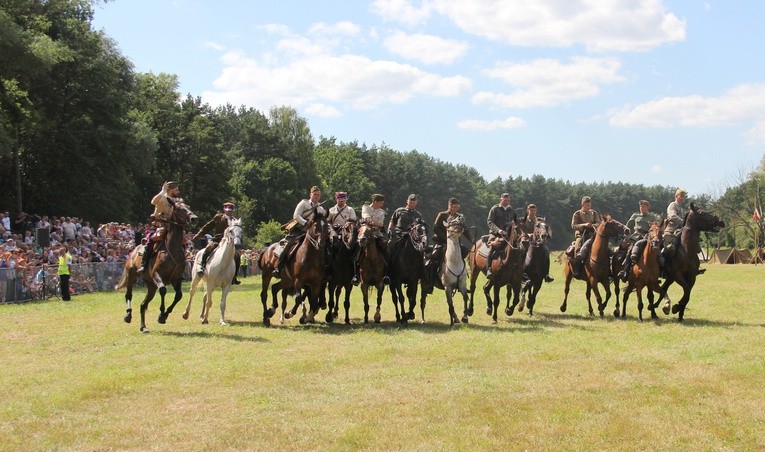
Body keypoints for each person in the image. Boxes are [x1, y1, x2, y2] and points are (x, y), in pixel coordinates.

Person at [273, 186, 327, 277]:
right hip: (299, 230)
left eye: (318, 195)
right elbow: (296, 216)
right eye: (314, 194)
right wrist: (305, 223)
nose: (316, 196)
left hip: (312, 234)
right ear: (310, 195)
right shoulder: (304, 203)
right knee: (288, 244)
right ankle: (279, 267)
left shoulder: (321, 209)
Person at [425, 197, 470, 293]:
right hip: (442, 242)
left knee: (464, 253)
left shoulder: (460, 217)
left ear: (458, 207)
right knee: (433, 257)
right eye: (452, 206)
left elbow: (464, 229)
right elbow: (436, 228)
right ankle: (431, 283)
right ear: (448, 205)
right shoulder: (442, 215)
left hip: (455, 243)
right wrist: (447, 239)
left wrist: (472, 239)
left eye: (455, 207)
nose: (453, 208)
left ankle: (461, 282)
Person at [138, 181, 183, 275]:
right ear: (170, 190)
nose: (178, 191)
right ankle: (144, 264)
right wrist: (162, 191)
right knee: (151, 240)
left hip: (172, 228)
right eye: (176, 189)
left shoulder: (178, 201)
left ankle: (181, 265)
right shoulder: (162, 198)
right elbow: (153, 201)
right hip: (159, 226)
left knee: (183, 241)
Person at [192, 201, 241, 285]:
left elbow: (238, 233)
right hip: (217, 240)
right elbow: (208, 226)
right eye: (227, 210)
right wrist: (198, 235)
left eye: (231, 210)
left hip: (229, 243)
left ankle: (234, 277)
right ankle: (202, 268)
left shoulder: (235, 221)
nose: (229, 212)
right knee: (207, 250)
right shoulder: (218, 217)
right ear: (224, 209)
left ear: (233, 211)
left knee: (237, 256)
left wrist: (238, 242)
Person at [617, 200, 661, 281]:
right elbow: (628, 226)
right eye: (640, 206)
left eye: (643, 206)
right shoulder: (635, 215)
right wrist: (627, 236)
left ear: (648, 207)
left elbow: (655, 228)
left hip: (647, 237)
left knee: (657, 252)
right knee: (630, 251)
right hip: (636, 237)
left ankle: (658, 273)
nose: (641, 208)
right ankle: (625, 272)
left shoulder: (652, 217)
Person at [352, 194, 387, 285]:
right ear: (375, 202)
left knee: (385, 247)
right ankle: (356, 275)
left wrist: (371, 221)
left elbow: (380, 224)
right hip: (365, 232)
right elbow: (366, 219)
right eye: (380, 203)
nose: (382, 205)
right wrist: (373, 222)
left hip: (376, 233)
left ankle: (386, 274)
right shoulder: (365, 207)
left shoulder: (381, 212)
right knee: (357, 249)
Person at [519, 203, 554, 283]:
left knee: (546, 252)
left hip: (537, 242)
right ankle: (519, 271)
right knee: (520, 251)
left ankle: (546, 274)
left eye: (534, 210)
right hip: (526, 240)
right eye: (531, 210)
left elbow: (545, 229)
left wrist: (545, 235)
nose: (532, 212)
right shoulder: (523, 220)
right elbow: (521, 230)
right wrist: (528, 234)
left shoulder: (540, 220)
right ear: (527, 211)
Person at [570, 196, 601, 278]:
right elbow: (573, 225)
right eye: (587, 205)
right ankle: (577, 269)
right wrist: (584, 225)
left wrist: (595, 225)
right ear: (582, 204)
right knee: (577, 248)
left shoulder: (594, 213)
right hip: (581, 235)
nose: (588, 206)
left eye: (589, 204)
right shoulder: (577, 214)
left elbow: (599, 222)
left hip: (592, 235)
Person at [486, 192, 514, 276]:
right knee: (493, 246)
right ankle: (489, 268)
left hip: (508, 234)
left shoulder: (512, 210)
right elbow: (489, 221)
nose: (506, 202)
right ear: (501, 199)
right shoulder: (495, 208)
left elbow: (515, 222)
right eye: (504, 200)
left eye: (508, 200)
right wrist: (498, 230)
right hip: (495, 233)